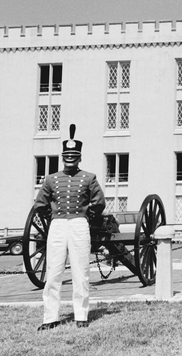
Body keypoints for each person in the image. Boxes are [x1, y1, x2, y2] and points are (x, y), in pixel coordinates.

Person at [34, 125, 106, 330]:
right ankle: (50, 318)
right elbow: (40, 204)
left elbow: (99, 202)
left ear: (79, 157)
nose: (70, 159)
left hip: (79, 224)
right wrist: (54, 216)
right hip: (57, 225)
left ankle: (81, 315)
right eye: (67, 155)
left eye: (74, 156)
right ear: (62, 156)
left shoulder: (88, 178)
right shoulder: (52, 179)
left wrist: (85, 216)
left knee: (80, 270)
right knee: (54, 271)